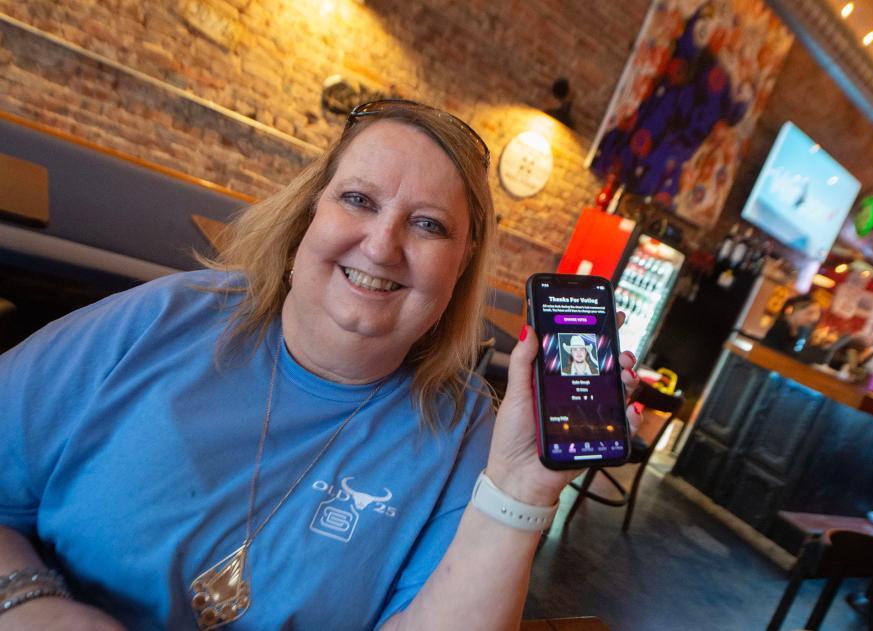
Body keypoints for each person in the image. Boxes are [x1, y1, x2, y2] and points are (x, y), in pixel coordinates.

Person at [0, 100, 645, 631]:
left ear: (461, 266)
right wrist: (33, 603)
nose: (383, 245)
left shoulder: (470, 439)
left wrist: (522, 490)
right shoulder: (163, 321)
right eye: (359, 201)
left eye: (428, 224)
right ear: (312, 210)